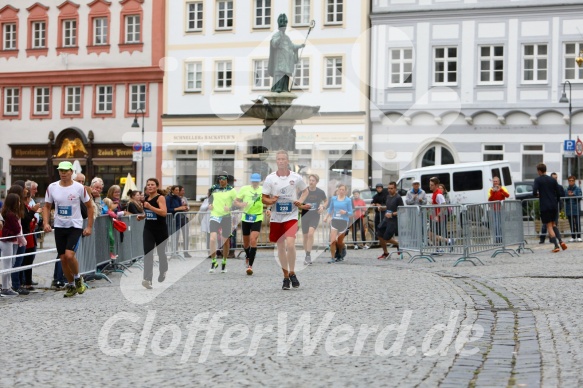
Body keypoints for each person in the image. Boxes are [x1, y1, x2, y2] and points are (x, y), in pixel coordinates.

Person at [42, 161, 94, 298]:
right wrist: (46, 223)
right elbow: (46, 206)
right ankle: (71, 285)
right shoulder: (52, 187)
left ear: (71, 172)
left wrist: (89, 226)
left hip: (75, 226)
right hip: (59, 226)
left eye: (66, 171)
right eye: (61, 171)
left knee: (70, 255)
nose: (63, 173)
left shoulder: (78, 187)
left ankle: (78, 278)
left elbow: (90, 206)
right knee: (63, 258)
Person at [262, 150, 309, 290]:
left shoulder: (296, 177)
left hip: (291, 215)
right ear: (276, 162)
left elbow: (305, 190)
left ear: (287, 161)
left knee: (290, 244)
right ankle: (286, 276)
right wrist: (271, 201)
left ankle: (293, 272)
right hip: (277, 217)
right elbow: (263, 197)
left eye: (283, 159)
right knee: (281, 247)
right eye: (279, 159)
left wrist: (300, 201)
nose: (281, 161)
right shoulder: (270, 178)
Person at [136, 178, 168, 289]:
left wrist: (150, 207)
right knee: (148, 253)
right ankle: (147, 279)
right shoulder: (146, 199)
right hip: (148, 229)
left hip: (160, 230)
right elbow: (149, 213)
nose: (150, 186)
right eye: (148, 185)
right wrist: (142, 216)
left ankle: (163, 270)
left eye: (152, 184)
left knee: (161, 253)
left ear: (157, 186)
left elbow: (164, 213)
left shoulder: (160, 198)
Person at [533, 163, 567, 253]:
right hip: (554, 205)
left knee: (549, 226)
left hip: (545, 205)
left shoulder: (538, 180)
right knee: (554, 224)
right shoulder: (552, 180)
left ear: (539, 171)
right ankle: (561, 241)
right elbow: (559, 192)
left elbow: (534, 192)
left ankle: (556, 245)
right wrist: (557, 201)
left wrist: (538, 195)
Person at [235, 173, 264, 275]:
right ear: (251, 181)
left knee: (253, 240)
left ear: (259, 181)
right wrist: (241, 204)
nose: (255, 183)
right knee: (246, 243)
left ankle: (250, 266)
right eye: (253, 181)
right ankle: (247, 255)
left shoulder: (263, 190)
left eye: (257, 181)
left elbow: (269, 201)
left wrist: (269, 209)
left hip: (257, 217)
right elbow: (236, 201)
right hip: (246, 217)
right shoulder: (244, 189)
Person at [268, 14, 305, 93]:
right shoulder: (276, 35)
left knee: (286, 75)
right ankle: (277, 87)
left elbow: (292, 46)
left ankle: (284, 88)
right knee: (279, 74)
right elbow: (274, 43)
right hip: (279, 61)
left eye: (285, 27)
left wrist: (300, 46)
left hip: (287, 61)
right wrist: (279, 37)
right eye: (282, 27)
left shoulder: (287, 37)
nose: (284, 29)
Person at [208, 173, 237, 273]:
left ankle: (224, 261)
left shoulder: (231, 190)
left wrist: (230, 208)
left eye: (223, 179)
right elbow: (210, 198)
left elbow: (238, 203)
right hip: (215, 215)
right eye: (219, 179)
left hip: (226, 217)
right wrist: (210, 204)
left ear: (227, 180)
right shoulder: (213, 188)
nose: (221, 180)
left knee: (225, 241)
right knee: (212, 239)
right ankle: (213, 260)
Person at [0, 193, 25, 297]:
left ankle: (6, 286)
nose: (19, 203)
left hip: (6, 239)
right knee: (7, 264)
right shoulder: (11, 215)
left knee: (8, 264)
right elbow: (17, 229)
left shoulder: (5, 212)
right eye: (18, 201)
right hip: (8, 240)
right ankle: (5, 288)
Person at [300, 174, 327, 265]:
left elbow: (326, 200)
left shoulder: (320, 192)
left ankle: (308, 255)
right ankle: (306, 254)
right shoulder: (304, 191)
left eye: (313, 180)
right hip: (305, 215)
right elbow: (298, 203)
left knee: (311, 233)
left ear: (316, 182)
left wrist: (323, 206)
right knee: (305, 236)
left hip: (315, 215)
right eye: (310, 180)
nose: (311, 182)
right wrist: (303, 206)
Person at [324, 184, 353, 263]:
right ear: (338, 190)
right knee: (333, 241)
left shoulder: (348, 200)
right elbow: (330, 209)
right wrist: (326, 217)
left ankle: (340, 253)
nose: (341, 191)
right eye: (340, 189)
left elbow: (351, 212)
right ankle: (332, 258)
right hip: (335, 221)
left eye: (343, 190)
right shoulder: (334, 199)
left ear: (345, 191)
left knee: (339, 241)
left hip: (343, 222)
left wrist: (345, 212)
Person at [377, 182, 404, 259]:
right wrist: (382, 208)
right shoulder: (388, 196)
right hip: (386, 219)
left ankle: (398, 244)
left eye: (391, 188)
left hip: (393, 221)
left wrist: (392, 214)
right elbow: (389, 207)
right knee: (379, 235)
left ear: (395, 188)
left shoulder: (398, 198)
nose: (389, 190)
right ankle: (385, 253)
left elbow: (402, 210)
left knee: (386, 238)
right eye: (388, 188)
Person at [539, 172, 566, 244]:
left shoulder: (558, 186)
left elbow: (561, 195)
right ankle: (559, 240)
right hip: (552, 206)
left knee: (551, 225)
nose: (555, 179)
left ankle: (555, 243)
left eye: (556, 178)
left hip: (551, 207)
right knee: (549, 225)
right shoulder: (549, 186)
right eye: (554, 178)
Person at [427, 177, 452, 248]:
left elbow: (444, 205)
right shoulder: (435, 193)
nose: (430, 186)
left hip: (437, 218)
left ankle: (448, 241)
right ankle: (438, 248)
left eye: (432, 185)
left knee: (432, 235)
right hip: (434, 217)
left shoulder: (438, 194)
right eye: (430, 184)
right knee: (432, 235)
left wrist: (438, 215)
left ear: (436, 185)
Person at [487, 176, 509, 243]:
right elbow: (490, 199)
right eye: (494, 181)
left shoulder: (503, 188)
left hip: (501, 209)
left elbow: (507, 195)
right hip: (494, 209)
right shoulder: (490, 190)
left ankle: (501, 238)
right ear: (492, 182)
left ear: (499, 182)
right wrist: (494, 192)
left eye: (496, 181)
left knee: (501, 224)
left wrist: (501, 190)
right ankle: (497, 239)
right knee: (496, 224)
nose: (495, 182)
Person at [564, 175, 582, 242]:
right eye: (570, 180)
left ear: (574, 181)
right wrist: (568, 195)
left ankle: (579, 236)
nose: (571, 182)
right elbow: (564, 198)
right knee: (571, 223)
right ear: (568, 181)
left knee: (577, 223)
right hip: (569, 208)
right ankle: (573, 236)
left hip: (576, 208)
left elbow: (580, 197)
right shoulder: (566, 189)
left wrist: (573, 194)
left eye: (572, 180)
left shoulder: (578, 189)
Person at [178, 186, 191, 257]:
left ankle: (186, 251)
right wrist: (182, 206)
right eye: (182, 190)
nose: (184, 192)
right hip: (177, 218)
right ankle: (175, 251)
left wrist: (186, 208)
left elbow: (188, 207)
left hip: (184, 218)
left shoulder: (185, 198)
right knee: (176, 236)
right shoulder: (176, 198)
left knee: (186, 236)